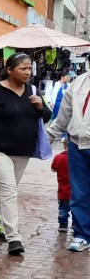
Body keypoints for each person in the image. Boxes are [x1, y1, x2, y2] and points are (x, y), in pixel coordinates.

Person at [0, 53, 51, 255]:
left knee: (4, 191)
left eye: (29, 68)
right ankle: (14, 238)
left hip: (24, 152)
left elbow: (46, 117)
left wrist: (40, 106)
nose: (28, 72)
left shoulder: (33, 91)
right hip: (0, 152)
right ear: (9, 70)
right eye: (23, 68)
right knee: (9, 191)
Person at [47, 70, 90, 252]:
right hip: (77, 145)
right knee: (79, 193)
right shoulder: (78, 82)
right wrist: (50, 135)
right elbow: (64, 114)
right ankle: (82, 235)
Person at [51, 138, 71, 234]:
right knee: (77, 210)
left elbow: (53, 169)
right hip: (77, 192)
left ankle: (63, 225)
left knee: (63, 210)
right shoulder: (78, 159)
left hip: (62, 191)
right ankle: (76, 225)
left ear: (64, 146)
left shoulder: (58, 157)